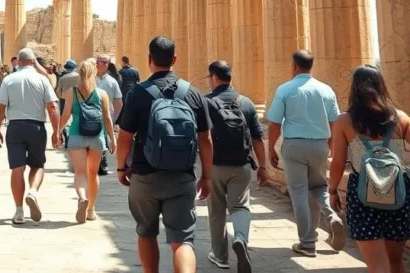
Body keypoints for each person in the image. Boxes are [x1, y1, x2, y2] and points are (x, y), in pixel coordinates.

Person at [329, 66, 410, 273]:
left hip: (363, 195)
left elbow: (338, 162)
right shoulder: (400, 119)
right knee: (396, 263)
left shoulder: (344, 121)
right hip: (399, 192)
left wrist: (333, 190)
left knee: (377, 266)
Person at [117, 36, 213, 273]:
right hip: (182, 175)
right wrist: (207, 176)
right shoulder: (193, 93)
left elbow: (125, 137)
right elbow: (206, 140)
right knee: (182, 241)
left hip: (145, 174)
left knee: (146, 232)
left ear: (150, 60)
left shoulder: (138, 93)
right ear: (175, 60)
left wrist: (121, 168)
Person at [266, 50, 346, 257]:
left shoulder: (285, 89)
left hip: (294, 146)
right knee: (320, 187)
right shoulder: (326, 90)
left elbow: (274, 124)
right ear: (312, 66)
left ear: (293, 66)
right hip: (320, 145)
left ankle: (308, 242)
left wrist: (271, 149)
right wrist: (330, 146)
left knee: (299, 192)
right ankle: (331, 216)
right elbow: (334, 122)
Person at [203, 61, 268, 272]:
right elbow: (258, 138)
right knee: (240, 206)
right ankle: (240, 238)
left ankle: (220, 256)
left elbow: (201, 138)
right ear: (231, 77)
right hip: (241, 165)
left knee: (216, 211)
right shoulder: (246, 102)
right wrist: (263, 167)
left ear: (214, 77)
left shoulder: (206, 102)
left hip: (215, 166)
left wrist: (202, 170)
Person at [0, 48, 61, 225]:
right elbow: (52, 108)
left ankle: (18, 211)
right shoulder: (42, 80)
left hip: (15, 127)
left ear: (19, 61)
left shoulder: (9, 79)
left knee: (17, 169)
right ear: (33, 62)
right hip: (36, 127)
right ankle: (32, 192)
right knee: (38, 165)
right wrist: (57, 130)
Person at [59, 58, 116, 223]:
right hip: (97, 137)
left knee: (80, 172)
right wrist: (112, 138)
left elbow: (65, 115)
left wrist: (58, 131)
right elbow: (107, 118)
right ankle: (91, 209)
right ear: (94, 74)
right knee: (93, 173)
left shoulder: (72, 92)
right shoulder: (101, 94)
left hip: (76, 134)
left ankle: (82, 197)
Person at [94, 55, 124, 176]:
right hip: (89, 114)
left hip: (106, 116)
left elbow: (118, 101)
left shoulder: (112, 82)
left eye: (104, 62)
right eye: (99, 62)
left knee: (103, 140)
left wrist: (114, 117)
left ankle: (102, 163)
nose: (101, 64)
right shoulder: (90, 79)